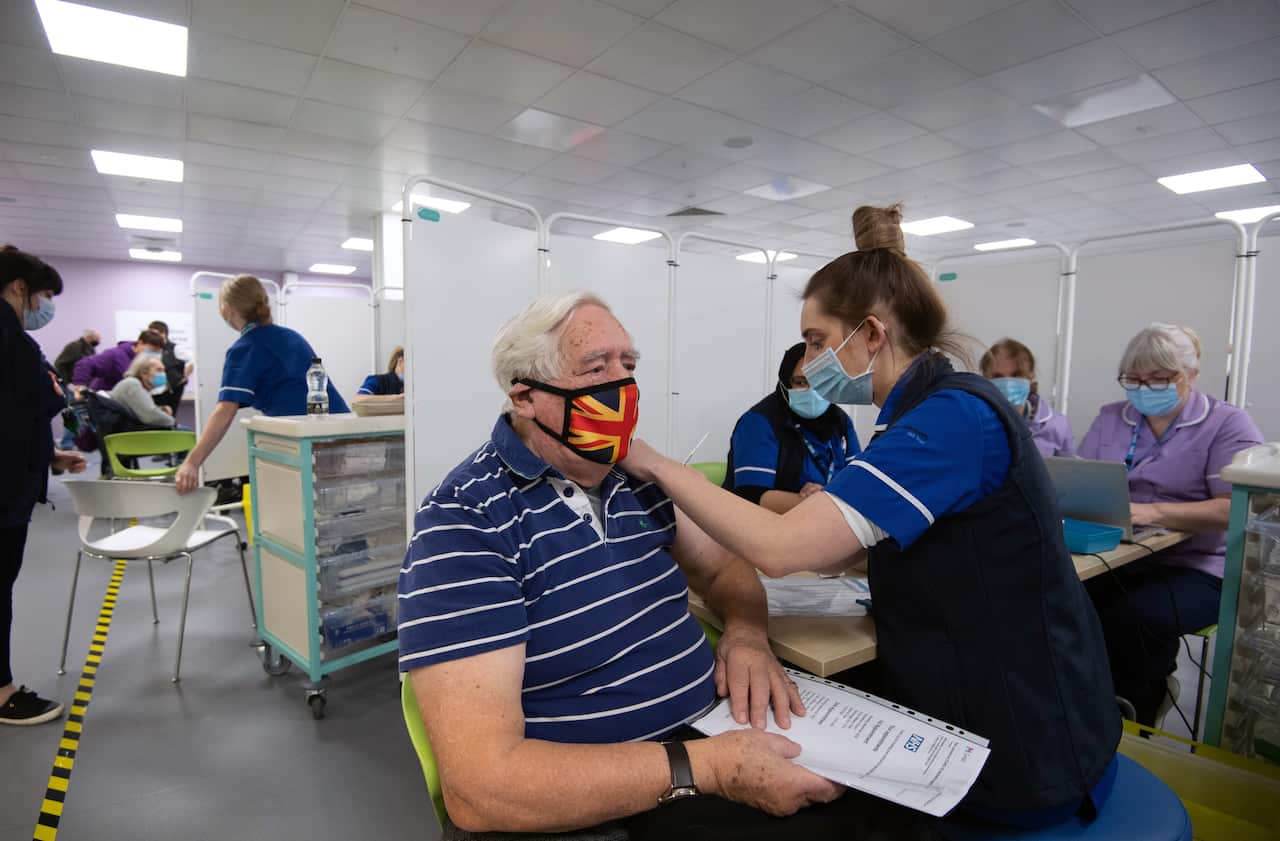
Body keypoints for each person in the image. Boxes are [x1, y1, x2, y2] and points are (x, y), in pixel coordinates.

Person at [620, 205, 1121, 830]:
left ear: (872, 335)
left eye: (818, 340)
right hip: (977, 693)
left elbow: (779, 548)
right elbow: (876, 543)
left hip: (1023, 734)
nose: (809, 361)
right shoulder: (919, 414)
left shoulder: (951, 421)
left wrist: (657, 464)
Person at [399, 291, 934, 841]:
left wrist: (747, 636)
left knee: (904, 808)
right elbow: (482, 788)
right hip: (610, 805)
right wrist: (709, 769)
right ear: (527, 397)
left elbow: (725, 567)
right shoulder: (466, 521)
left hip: (711, 741)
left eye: (628, 365)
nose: (623, 387)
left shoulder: (636, 480)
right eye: (597, 367)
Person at [1079, 323, 1262, 726]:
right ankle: (1084, 706)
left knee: (1138, 618)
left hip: (1200, 565)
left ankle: (1136, 713)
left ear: (1191, 375)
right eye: (1134, 379)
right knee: (1066, 598)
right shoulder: (1112, 418)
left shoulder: (1227, 424)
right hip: (1122, 553)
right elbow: (1080, 480)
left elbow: (1236, 507)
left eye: (1159, 379)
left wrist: (1152, 512)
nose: (1145, 388)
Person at [1, 245, 86, 726]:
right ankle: (3, 693)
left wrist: (47, 455)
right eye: (44, 295)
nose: (44, 307)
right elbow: (41, 395)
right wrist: (54, 392)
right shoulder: (9, 335)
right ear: (19, 287)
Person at [176, 274, 347, 494]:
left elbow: (224, 412)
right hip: (337, 429)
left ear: (227, 309)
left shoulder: (245, 348)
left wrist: (192, 462)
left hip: (308, 439)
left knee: (305, 510)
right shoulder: (291, 336)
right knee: (332, 506)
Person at [724, 342, 860, 512]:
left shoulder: (840, 421)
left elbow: (858, 482)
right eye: (800, 382)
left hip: (827, 522)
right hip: (763, 525)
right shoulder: (758, 422)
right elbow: (750, 496)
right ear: (785, 384)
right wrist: (814, 502)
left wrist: (828, 499)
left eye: (820, 383)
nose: (812, 392)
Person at [980, 338, 1073, 457]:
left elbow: (1072, 473)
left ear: (1031, 376)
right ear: (984, 378)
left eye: (1016, 374)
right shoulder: (972, 423)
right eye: (998, 376)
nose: (1008, 383)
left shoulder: (1058, 425)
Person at [71, 328, 165, 392]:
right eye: (151, 350)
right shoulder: (115, 355)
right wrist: (79, 389)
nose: (152, 354)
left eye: (156, 352)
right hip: (105, 405)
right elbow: (84, 364)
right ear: (140, 343)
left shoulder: (144, 361)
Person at [110, 354, 176, 429]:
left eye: (164, 371)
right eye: (159, 370)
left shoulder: (138, 386)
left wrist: (160, 410)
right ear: (144, 372)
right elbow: (150, 416)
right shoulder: (132, 383)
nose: (163, 374)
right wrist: (173, 422)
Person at [147, 319, 192, 413]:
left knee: (168, 417)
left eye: (155, 334)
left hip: (171, 390)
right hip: (152, 391)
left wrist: (185, 377)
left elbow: (192, 360)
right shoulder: (150, 349)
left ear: (164, 334)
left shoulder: (175, 348)